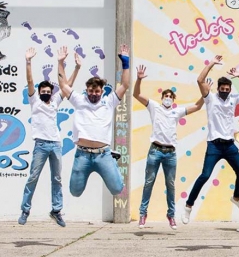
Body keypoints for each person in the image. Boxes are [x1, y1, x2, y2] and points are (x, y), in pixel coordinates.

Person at [182, 55, 239, 224]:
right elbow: (200, 80)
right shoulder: (211, 98)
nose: (224, 91)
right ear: (218, 89)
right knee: (205, 175)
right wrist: (212, 63)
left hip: (229, 145)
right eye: (221, 88)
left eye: (226, 88)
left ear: (230, 89)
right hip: (214, 145)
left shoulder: (233, 99)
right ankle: (188, 206)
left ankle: (236, 198)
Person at [133, 65, 205, 230]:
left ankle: (171, 215)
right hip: (155, 151)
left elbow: (197, 106)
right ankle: (143, 214)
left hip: (170, 153)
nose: (167, 98)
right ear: (161, 98)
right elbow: (136, 94)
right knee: (148, 182)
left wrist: (205, 94)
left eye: (170, 96)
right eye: (165, 96)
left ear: (173, 100)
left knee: (170, 185)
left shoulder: (177, 111)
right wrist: (139, 79)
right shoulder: (154, 107)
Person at [18, 47, 82, 226]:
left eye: (48, 91)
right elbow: (30, 80)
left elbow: (67, 86)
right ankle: (25, 209)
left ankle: (56, 210)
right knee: (33, 177)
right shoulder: (35, 101)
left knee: (57, 178)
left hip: (55, 144)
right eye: (43, 91)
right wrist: (28, 61)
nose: (46, 93)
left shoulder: (55, 101)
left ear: (51, 92)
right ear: (39, 92)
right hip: (40, 145)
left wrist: (76, 68)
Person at [57, 45, 129, 199]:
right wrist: (60, 62)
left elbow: (125, 85)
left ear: (102, 91)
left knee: (117, 189)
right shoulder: (79, 100)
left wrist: (126, 63)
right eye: (91, 91)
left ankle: (113, 160)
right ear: (86, 90)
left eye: (97, 91)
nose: (94, 94)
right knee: (75, 192)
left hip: (103, 154)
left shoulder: (109, 102)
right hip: (82, 155)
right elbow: (63, 85)